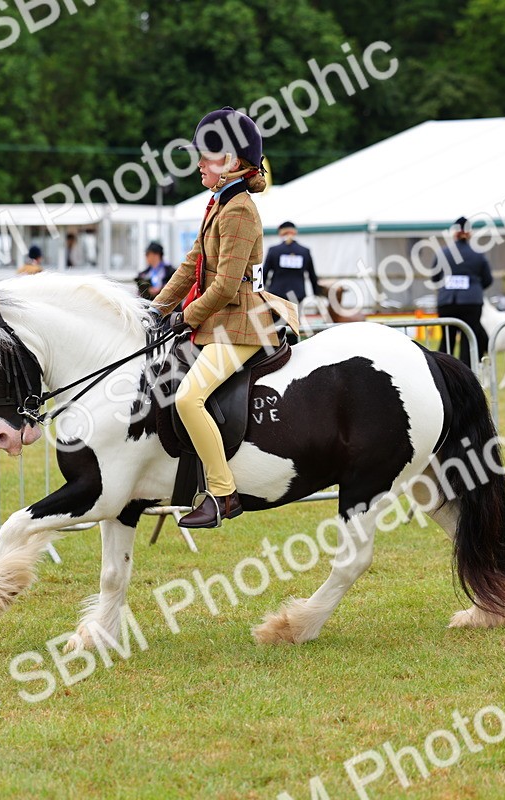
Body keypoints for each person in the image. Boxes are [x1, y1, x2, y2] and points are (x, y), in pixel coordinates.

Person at [152, 107, 298, 529]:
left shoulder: (238, 211)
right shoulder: (218, 203)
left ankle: (222, 493)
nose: (199, 162)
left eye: (208, 156)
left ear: (233, 163)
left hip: (242, 322)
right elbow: (191, 265)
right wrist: (156, 308)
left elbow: (227, 286)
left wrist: (185, 315)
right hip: (221, 319)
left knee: (187, 397)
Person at [430, 216, 492, 368]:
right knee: (468, 341)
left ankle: (442, 374)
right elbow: (488, 279)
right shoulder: (478, 255)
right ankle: (466, 374)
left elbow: (435, 277)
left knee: (447, 341)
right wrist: (473, 288)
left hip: (447, 303)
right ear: (469, 233)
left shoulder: (442, 253)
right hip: (471, 303)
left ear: (454, 233)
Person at [262, 221, 325, 304]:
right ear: (295, 232)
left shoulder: (274, 250)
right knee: (295, 316)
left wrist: (261, 292)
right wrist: (316, 293)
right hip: (297, 294)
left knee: (277, 317)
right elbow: (312, 275)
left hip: (277, 293)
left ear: (281, 233)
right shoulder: (304, 251)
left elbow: (264, 272)